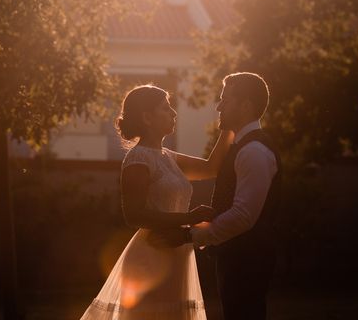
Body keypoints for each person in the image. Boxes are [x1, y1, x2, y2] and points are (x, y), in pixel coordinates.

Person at [80, 84, 233, 320]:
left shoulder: (168, 157)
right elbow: (134, 215)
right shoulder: (138, 158)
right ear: (147, 117)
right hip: (151, 254)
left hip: (178, 252)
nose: (173, 113)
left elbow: (211, 167)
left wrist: (228, 126)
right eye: (165, 108)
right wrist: (189, 218)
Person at [154, 72, 281, 320]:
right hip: (237, 256)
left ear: (246, 106)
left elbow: (243, 216)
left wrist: (189, 234)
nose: (219, 106)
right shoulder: (243, 148)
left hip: (248, 259)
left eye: (226, 100)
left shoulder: (254, 151)